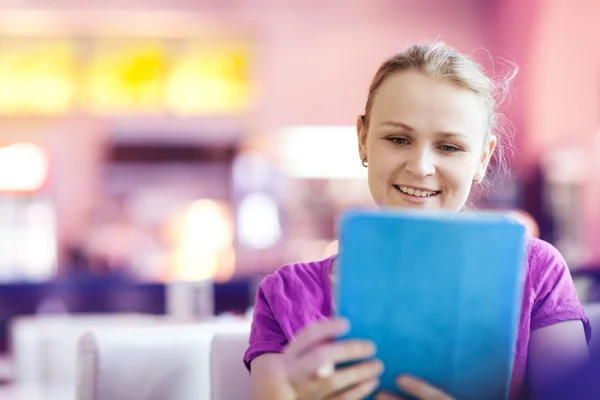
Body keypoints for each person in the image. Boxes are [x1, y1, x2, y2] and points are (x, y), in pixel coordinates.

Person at [244, 42, 591, 400]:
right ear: (363, 139)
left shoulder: (537, 272)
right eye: (398, 139)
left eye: (449, 147)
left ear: (482, 158)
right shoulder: (284, 294)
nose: (421, 167)